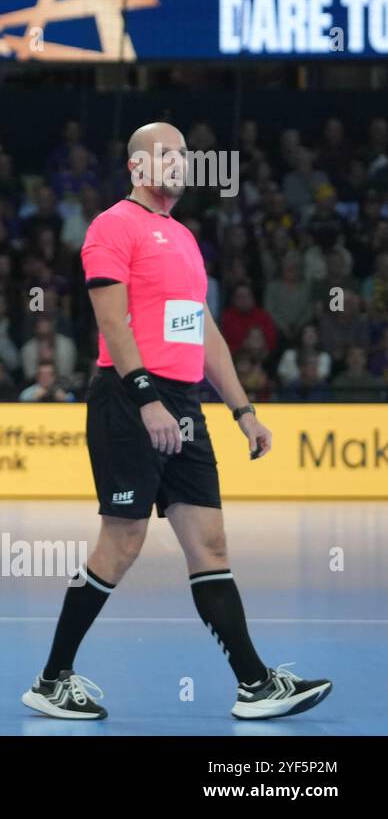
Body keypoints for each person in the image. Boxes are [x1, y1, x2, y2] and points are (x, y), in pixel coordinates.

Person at [21, 121, 331, 722]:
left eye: (185, 156)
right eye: (165, 154)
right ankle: (52, 680)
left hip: (185, 403)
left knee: (210, 544)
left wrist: (242, 410)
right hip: (129, 399)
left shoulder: (185, 238)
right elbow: (112, 324)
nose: (179, 163)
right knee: (123, 541)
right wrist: (147, 400)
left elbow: (204, 332)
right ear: (136, 167)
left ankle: (255, 685)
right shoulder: (112, 226)